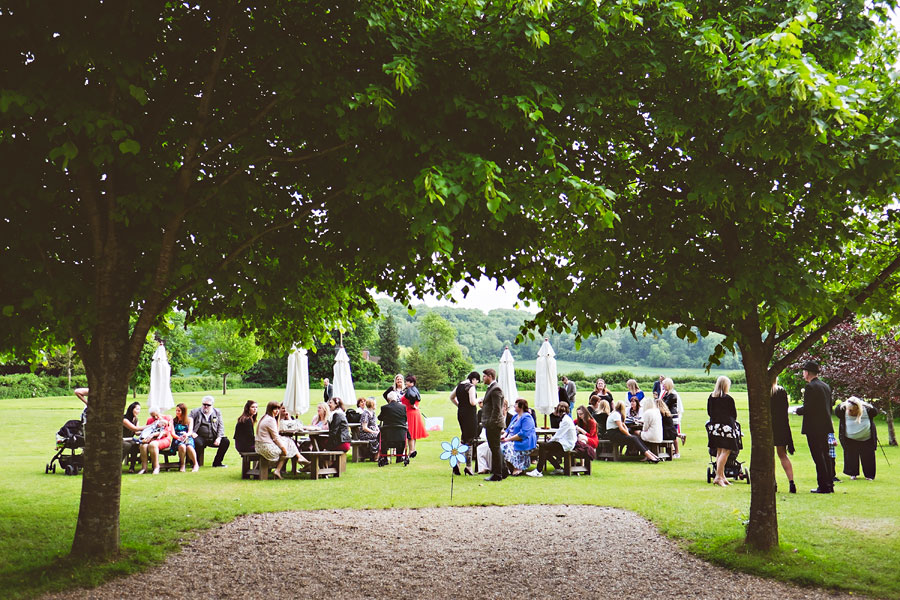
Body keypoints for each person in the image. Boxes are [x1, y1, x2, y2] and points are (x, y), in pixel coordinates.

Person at [795, 361, 835, 493]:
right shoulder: (825, 386)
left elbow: (809, 408)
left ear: (807, 373)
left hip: (814, 427)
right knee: (825, 454)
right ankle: (829, 483)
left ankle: (823, 485)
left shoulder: (811, 387)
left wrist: (797, 410)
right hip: (824, 425)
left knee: (818, 456)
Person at [706, 376, 742, 487]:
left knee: (719, 452)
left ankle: (722, 476)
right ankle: (718, 476)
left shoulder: (711, 397)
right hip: (726, 428)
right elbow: (733, 414)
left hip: (715, 428)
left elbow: (709, 412)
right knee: (726, 451)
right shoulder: (728, 399)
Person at [527, 402, 578, 477]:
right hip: (565, 442)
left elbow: (558, 435)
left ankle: (538, 470)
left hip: (567, 444)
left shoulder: (566, 420)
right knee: (544, 449)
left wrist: (550, 441)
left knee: (543, 446)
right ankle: (557, 467)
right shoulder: (565, 419)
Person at [835, 396, 878, 481]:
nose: (851, 412)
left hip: (867, 438)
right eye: (849, 410)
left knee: (868, 456)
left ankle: (869, 475)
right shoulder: (842, 409)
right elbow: (837, 413)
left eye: (853, 410)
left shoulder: (867, 409)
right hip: (850, 439)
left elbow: (875, 413)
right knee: (851, 456)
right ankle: (853, 473)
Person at [255, 401, 299, 479]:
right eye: (275, 409)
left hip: (259, 446)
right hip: (266, 448)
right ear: (270, 409)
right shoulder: (271, 420)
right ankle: (278, 470)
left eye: (278, 409)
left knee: (288, 442)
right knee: (287, 448)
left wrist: (277, 418)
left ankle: (278, 470)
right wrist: (283, 448)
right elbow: (275, 438)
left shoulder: (264, 417)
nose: (277, 411)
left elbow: (276, 434)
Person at [449, 371, 481, 476]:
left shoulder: (460, 385)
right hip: (470, 414)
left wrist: (459, 405)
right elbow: (472, 402)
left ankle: (457, 462)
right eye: (477, 381)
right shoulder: (470, 387)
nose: (476, 383)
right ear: (474, 379)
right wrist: (479, 399)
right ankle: (468, 466)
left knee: (464, 438)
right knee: (470, 440)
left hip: (461, 413)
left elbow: (451, 397)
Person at [770, 381, 796, 493]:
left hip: (769, 426)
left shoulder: (765, 392)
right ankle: (791, 482)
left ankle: (773, 482)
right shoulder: (781, 391)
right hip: (781, 426)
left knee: (770, 456)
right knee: (782, 454)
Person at [189, 396, 230, 467]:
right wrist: (192, 432)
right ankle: (195, 462)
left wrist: (219, 438)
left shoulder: (217, 412)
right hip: (199, 436)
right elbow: (187, 424)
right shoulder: (195, 412)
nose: (206, 406)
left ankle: (217, 463)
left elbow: (221, 426)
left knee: (225, 442)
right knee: (198, 443)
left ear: (212, 405)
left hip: (213, 436)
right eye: (204, 404)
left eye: (208, 405)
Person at [481, 368, 506, 481]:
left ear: (490, 376)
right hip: (492, 423)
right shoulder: (492, 388)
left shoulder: (496, 389)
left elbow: (496, 409)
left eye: (484, 376)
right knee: (495, 448)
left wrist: (491, 422)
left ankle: (497, 474)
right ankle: (504, 471)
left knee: (495, 448)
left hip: (494, 424)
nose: (483, 378)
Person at [500, 399, 537, 476]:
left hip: (524, 441)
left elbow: (523, 434)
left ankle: (517, 467)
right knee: (499, 445)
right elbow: (508, 429)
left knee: (506, 446)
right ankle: (507, 468)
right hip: (513, 439)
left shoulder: (527, 417)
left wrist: (508, 439)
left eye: (516, 404)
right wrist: (503, 436)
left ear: (522, 406)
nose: (514, 406)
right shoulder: (515, 417)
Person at [139, 407, 174, 475]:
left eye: (156, 415)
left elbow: (166, 432)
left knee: (153, 444)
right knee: (143, 446)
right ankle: (144, 468)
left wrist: (154, 435)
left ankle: (156, 467)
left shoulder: (168, 418)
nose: (155, 417)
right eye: (153, 416)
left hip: (164, 438)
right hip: (151, 439)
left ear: (159, 412)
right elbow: (147, 431)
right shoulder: (150, 420)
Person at [378, 391, 408, 460]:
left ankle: (384, 458)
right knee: (402, 437)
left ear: (388, 399)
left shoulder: (384, 408)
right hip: (400, 434)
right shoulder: (403, 407)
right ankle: (399, 458)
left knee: (381, 438)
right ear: (396, 398)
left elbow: (380, 418)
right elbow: (405, 418)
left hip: (387, 434)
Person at [402, 374, 427, 457]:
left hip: (410, 412)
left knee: (410, 433)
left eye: (407, 382)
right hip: (415, 413)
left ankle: (411, 451)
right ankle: (413, 449)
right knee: (413, 433)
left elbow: (411, 397)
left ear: (411, 383)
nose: (406, 383)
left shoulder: (410, 390)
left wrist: (412, 405)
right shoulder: (415, 389)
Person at [660, 377, 685, 456]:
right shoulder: (666, 394)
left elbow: (665, 405)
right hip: (667, 417)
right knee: (670, 433)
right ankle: (672, 450)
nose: (663, 386)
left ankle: (677, 452)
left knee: (673, 434)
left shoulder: (673, 395)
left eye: (664, 385)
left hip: (673, 417)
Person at [171, 403, 199, 472]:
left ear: (183, 411)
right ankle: (182, 464)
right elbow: (172, 433)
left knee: (189, 447)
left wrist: (186, 435)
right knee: (182, 446)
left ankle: (195, 464)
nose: (177, 412)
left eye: (179, 411)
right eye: (176, 410)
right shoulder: (173, 421)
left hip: (187, 437)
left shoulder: (189, 420)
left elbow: (190, 431)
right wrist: (178, 438)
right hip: (177, 438)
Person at [122, 401, 145, 472]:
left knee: (135, 444)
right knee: (129, 444)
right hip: (122, 439)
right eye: (137, 409)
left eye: (139, 410)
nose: (138, 411)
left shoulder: (136, 419)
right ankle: (118, 464)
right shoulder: (124, 419)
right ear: (131, 409)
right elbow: (134, 428)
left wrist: (145, 432)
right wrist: (149, 426)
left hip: (131, 439)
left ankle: (132, 467)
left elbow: (136, 432)